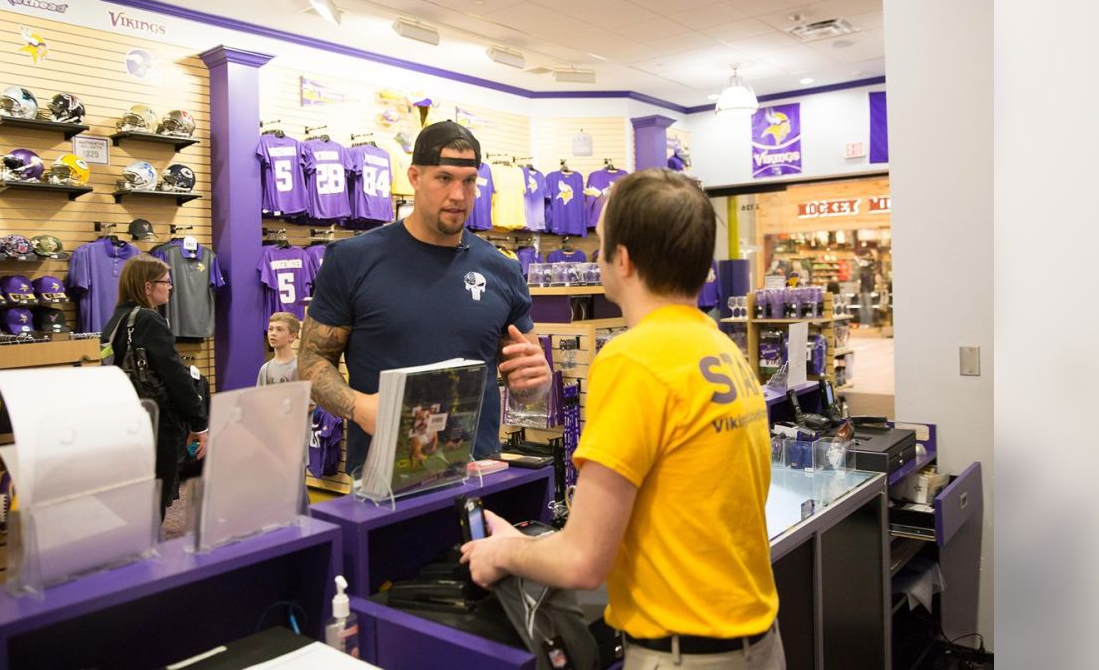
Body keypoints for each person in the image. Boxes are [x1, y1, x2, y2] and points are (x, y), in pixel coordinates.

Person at [461, 169, 784, 670]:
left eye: (602, 241)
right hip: (755, 643)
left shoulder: (633, 358)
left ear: (623, 258)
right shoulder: (722, 348)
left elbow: (583, 561)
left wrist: (500, 554)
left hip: (685, 654)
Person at [299, 120, 552, 474]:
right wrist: (358, 406)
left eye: (468, 182)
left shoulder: (502, 270)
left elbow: (526, 383)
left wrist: (537, 382)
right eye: (444, 178)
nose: (458, 195)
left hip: (477, 477)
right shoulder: (353, 260)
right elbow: (311, 361)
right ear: (415, 177)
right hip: (384, 482)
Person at [102, 255, 207, 520]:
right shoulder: (149, 320)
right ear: (148, 286)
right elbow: (174, 375)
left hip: (127, 419)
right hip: (157, 422)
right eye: (166, 282)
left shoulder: (117, 318)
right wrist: (198, 422)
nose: (170, 286)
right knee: (154, 497)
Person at [257, 311, 301, 385]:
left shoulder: (301, 368)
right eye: (270, 329)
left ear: (292, 336)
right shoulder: (265, 369)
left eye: (279, 329)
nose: (273, 333)